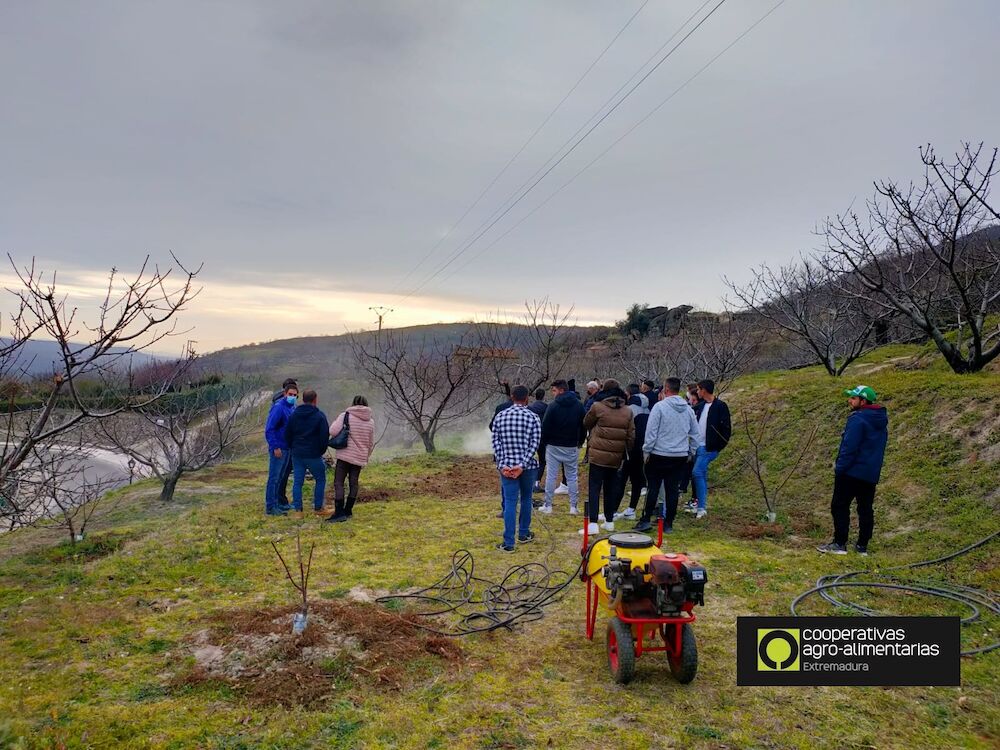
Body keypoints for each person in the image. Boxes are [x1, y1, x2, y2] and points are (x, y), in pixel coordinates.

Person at [818, 385, 888, 556]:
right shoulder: (881, 421)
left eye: (853, 398)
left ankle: (840, 543)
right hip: (870, 473)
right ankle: (862, 547)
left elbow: (849, 447)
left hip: (850, 472)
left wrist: (840, 468)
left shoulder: (857, 419)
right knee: (865, 508)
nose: (849, 400)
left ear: (863, 401)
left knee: (839, 506)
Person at [636, 378, 699, 533]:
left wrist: (646, 450)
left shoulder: (659, 407)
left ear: (666, 389)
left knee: (653, 488)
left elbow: (651, 431)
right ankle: (668, 523)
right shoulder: (689, 409)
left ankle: (645, 520)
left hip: (658, 453)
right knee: (672, 490)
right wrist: (691, 451)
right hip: (679, 455)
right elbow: (695, 433)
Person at [491, 385, 541, 552]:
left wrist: (502, 465)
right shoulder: (533, 417)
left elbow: (496, 443)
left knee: (510, 502)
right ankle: (524, 534)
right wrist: (522, 465)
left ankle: (509, 543)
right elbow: (534, 444)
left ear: (512, 397)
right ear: (527, 398)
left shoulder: (500, 417)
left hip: (507, 468)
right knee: (526, 499)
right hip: (527, 467)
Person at [582, 378, 634, 534]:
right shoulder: (628, 411)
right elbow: (631, 436)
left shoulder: (597, 407)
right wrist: (625, 452)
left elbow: (586, 423)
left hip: (598, 453)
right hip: (616, 456)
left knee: (594, 487)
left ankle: (592, 523)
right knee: (611, 487)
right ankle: (609, 521)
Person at [326, 395, 376, 523]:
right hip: (359, 457)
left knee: (339, 483)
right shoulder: (370, 421)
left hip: (345, 455)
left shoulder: (345, 415)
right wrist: (366, 455)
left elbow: (332, 431)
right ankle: (348, 510)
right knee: (354, 483)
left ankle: (339, 513)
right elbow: (370, 443)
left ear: (353, 403)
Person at [283, 389, 331, 519]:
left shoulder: (294, 415)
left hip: (297, 453)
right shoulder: (319, 416)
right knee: (320, 479)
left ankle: (298, 510)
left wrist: (293, 447)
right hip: (313, 454)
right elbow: (324, 436)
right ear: (315, 399)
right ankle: (318, 507)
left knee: (297, 482)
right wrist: (320, 451)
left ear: (303, 399)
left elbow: (287, 434)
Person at [539, 379, 585, 514]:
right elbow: (583, 426)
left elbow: (545, 426)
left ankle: (548, 506)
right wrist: (580, 442)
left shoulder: (553, 406)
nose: (553, 393)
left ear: (561, 390)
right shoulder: (578, 405)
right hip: (571, 445)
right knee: (572, 476)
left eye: (554, 390)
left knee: (551, 476)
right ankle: (573, 507)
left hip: (553, 445)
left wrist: (545, 442)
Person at [690, 379, 731, 520]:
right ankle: (700, 503)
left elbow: (726, 430)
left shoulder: (720, 406)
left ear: (704, 390)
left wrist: (718, 446)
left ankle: (701, 507)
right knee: (701, 474)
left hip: (709, 447)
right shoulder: (700, 406)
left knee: (697, 472)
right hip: (698, 446)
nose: (697, 392)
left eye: (698, 389)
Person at [613, 392, 649, 522]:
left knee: (621, 480)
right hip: (643, 452)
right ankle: (631, 509)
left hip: (630, 451)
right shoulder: (649, 413)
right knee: (637, 482)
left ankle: (613, 511)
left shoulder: (630, 412)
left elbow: (627, 433)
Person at [264, 382, 298, 515]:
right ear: (285, 394)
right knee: (274, 477)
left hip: (288, 447)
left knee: (281, 477)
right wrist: (275, 446)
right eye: (290, 394)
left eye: (295, 395)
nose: (292, 397)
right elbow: (269, 429)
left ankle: (278, 503)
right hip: (279, 448)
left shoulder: (292, 407)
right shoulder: (278, 407)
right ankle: (270, 506)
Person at [680, 384, 701, 511]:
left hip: (698, 446)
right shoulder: (693, 411)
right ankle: (692, 496)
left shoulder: (698, 412)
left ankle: (696, 499)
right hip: (692, 446)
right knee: (690, 471)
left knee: (696, 474)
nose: (691, 403)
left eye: (693, 400)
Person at [528, 389, 548, 493]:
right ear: (543, 396)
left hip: (531, 437)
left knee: (528, 458)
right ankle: (536, 482)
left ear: (535, 396)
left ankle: (528, 481)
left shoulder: (530, 408)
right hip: (543, 438)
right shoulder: (547, 407)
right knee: (542, 460)